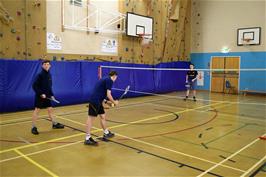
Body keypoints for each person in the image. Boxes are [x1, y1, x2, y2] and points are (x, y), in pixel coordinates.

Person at [84, 71, 119, 145]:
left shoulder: (105, 79)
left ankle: (106, 132)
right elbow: (108, 94)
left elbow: (100, 93)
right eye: (116, 78)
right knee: (90, 119)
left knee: (103, 116)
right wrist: (114, 102)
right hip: (95, 101)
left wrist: (107, 102)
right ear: (114, 76)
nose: (116, 79)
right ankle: (87, 138)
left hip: (98, 100)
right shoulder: (110, 80)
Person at [31, 60, 64, 135]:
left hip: (47, 96)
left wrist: (51, 95)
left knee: (50, 110)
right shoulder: (40, 75)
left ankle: (54, 124)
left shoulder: (49, 74)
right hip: (40, 96)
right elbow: (34, 86)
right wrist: (41, 94)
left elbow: (49, 86)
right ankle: (33, 127)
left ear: (50, 66)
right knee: (37, 110)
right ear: (42, 66)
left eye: (48, 64)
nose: (46, 65)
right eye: (45, 64)